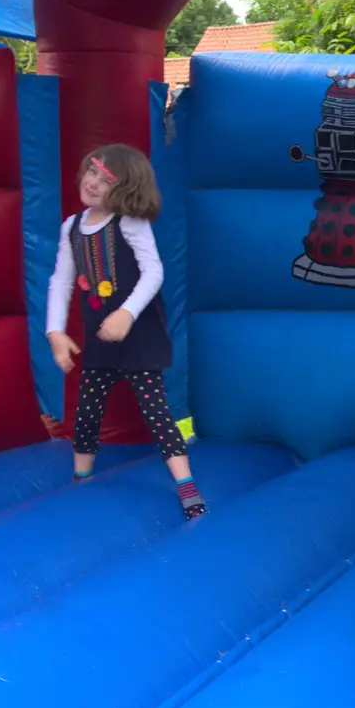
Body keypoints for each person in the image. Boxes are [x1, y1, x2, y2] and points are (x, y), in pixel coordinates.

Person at [46, 144, 205, 519]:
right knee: (87, 410)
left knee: (154, 409)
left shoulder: (129, 222)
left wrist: (127, 314)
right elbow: (61, 280)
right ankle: (80, 477)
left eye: (106, 180)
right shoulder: (71, 227)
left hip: (138, 333)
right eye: (92, 172)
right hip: (101, 334)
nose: (94, 183)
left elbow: (154, 271)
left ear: (125, 189)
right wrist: (55, 331)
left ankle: (186, 484)